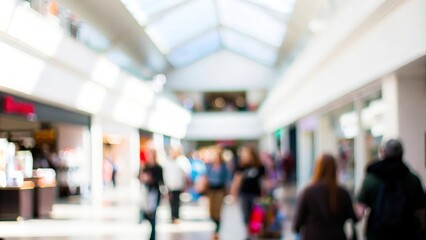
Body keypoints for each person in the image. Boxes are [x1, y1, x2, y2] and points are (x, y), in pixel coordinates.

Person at [356, 139, 425, 240]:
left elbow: (360, 209)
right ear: (402, 153)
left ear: (383, 153)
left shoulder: (372, 178)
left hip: (377, 234)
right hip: (407, 233)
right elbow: (421, 211)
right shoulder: (412, 179)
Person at [293, 154, 358, 240]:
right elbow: (353, 218)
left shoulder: (308, 192)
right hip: (337, 236)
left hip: (313, 236)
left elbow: (297, 225)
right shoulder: (343, 193)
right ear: (335, 169)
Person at [230, 145, 265, 239]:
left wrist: (265, 193)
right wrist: (233, 194)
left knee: (256, 216)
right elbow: (236, 181)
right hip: (244, 194)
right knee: (246, 215)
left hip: (256, 194)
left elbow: (264, 181)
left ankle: (254, 234)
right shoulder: (241, 167)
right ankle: (248, 233)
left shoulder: (260, 166)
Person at [139, 149, 163, 240]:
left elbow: (160, 181)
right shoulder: (145, 167)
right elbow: (139, 177)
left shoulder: (159, 167)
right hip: (146, 194)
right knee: (147, 216)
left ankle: (152, 237)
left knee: (153, 217)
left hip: (154, 194)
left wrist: (150, 179)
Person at [205, 146, 229, 240]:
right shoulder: (210, 166)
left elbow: (227, 179)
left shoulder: (224, 167)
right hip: (211, 190)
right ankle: (216, 227)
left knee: (218, 211)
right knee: (211, 211)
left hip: (220, 190)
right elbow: (207, 177)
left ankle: (217, 231)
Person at [163, 147, 187, 223]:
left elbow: (184, 172)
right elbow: (166, 174)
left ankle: (176, 216)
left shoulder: (180, 161)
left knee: (176, 201)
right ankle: (172, 216)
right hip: (170, 186)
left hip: (178, 185)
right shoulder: (167, 162)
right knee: (171, 201)